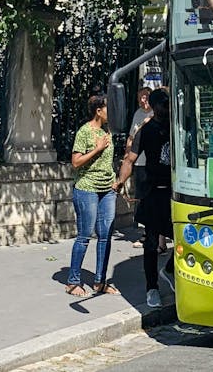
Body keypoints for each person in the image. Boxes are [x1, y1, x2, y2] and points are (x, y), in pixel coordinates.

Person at [115, 88, 175, 309]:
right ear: (156, 106)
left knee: (186, 239)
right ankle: (152, 288)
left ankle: (169, 270)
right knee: (150, 243)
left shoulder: (177, 126)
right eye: (164, 104)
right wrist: (121, 180)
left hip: (175, 192)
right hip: (153, 192)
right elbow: (130, 159)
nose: (168, 108)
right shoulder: (146, 130)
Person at [65, 94, 117, 296]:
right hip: (87, 188)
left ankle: (100, 281)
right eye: (108, 108)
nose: (111, 113)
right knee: (85, 235)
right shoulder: (85, 132)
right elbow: (76, 162)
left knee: (105, 236)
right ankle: (73, 281)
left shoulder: (107, 131)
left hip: (107, 189)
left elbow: (108, 161)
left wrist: (115, 180)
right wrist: (96, 149)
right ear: (99, 111)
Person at [126, 87, 153, 247]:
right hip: (139, 162)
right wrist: (127, 156)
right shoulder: (138, 114)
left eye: (146, 97)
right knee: (141, 198)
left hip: (151, 162)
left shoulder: (155, 114)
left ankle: (152, 234)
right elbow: (131, 136)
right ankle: (145, 232)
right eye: (140, 97)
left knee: (151, 198)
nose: (143, 100)